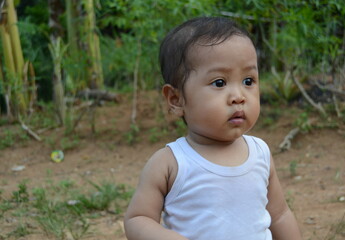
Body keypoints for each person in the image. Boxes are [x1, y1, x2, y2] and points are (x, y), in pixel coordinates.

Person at [124, 16, 302, 240]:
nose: (238, 97)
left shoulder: (260, 154)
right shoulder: (170, 163)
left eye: (248, 81)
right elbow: (138, 219)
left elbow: (279, 215)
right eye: (219, 83)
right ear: (176, 99)